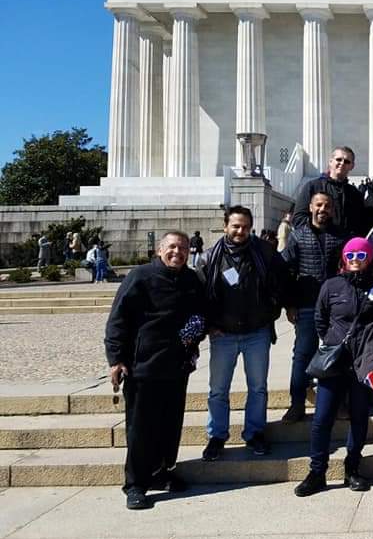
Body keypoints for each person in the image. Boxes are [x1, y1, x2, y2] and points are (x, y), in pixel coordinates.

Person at [104, 231, 205, 510]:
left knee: (170, 425)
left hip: (177, 366)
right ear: (160, 249)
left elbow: (200, 314)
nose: (178, 252)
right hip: (143, 366)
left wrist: (198, 331)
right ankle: (136, 484)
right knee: (141, 429)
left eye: (183, 248)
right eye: (172, 247)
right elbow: (118, 320)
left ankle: (161, 472)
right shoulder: (140, 276)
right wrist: (116, 359)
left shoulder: (191, 279)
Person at [294, 237, 373, 496]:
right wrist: (333, 341)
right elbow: (320, 320)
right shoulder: (331, 285)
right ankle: (317, 471)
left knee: (359, 417)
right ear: (344, 258)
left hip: (362, 362)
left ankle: (352, 468)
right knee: (322, 418)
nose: (356, 260)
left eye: (361, 255)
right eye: (351, 255)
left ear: (369, 258)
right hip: (335, 362)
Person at [198, 206, 289, 462]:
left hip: (256, 331)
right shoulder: (209, 258)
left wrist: (272, 309)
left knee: (258, 387)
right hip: (222, 333)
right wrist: (208, 324)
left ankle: (255, 432)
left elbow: (281, 281)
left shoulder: (264, 252)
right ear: (226, 226)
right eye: (236, 226)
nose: (240, 231)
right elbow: (199, 295)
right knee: (218, 388)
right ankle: (217, 436)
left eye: (245, 227)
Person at [280, 192, 345, 423]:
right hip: (306, 303)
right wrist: (289, 303)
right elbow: (287, 271)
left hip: (334, 306)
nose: (322, 209)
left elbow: (344, 270)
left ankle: (338, 403)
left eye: (327, 206)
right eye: (319, 205)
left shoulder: (339, 236)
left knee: (337, 354)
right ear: (310, 207)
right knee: (302, 354)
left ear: (332, 209)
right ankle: (296, 403)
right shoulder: (298, 236)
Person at [293, 146, 366, 235]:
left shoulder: (355, 194)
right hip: (317, 244)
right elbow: (298, 218)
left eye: (347, 161)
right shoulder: (312, 186)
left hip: (346, 245)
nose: (342, 163)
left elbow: (361, 224)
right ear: (330, 162)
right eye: (338, 159)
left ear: (352, 166)